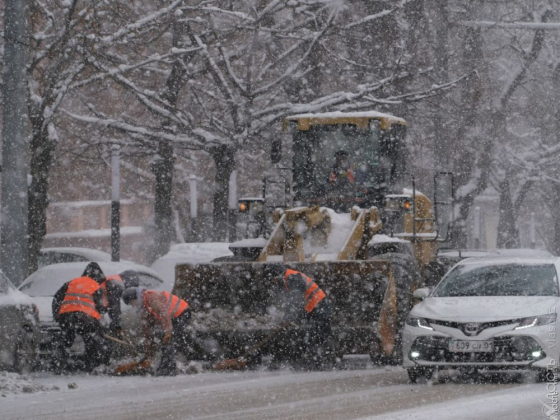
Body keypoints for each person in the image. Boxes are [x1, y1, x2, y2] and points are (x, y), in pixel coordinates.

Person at [264, 264, 334, 369]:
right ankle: (316, 360)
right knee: (314, 334)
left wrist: (289, 317)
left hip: (319, 306)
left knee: (319, 334)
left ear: (276, 275)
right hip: (313, 308)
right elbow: (291, 302)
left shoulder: (293, 278)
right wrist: (286, 318)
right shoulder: (287, 278)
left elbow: (296, 300)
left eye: (272, 279)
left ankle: (322, 361)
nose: (272, 282)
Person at [52, 262, 109, 372]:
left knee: (67, 336)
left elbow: (56, 298)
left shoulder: (71, 282)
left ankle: (60, 363)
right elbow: (101, 307)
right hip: (85, 318)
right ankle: (91, 364)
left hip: (66, 316)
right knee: (91, 337)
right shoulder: (95, 286)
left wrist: (57, 316)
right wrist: (101, 322)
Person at [122, 288, 191, 376]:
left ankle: (169, 369)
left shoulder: (150, 297)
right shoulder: (143, 307)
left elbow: (163, 313)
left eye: (132, 303)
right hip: (173, 317)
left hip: (182, 312)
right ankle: (165, 366)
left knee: (170, 341)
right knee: (165, 343)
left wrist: (168, 332)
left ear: (135, 298)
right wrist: (148, 350)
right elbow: (147, 329)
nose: (133, 306)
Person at [99, 270, 141, 337]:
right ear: (129, 282)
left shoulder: (115, 280)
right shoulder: (116, 284)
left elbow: (111, 305)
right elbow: (114, 305)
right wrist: (117, 325)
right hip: (90, 307)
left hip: (93, 306)